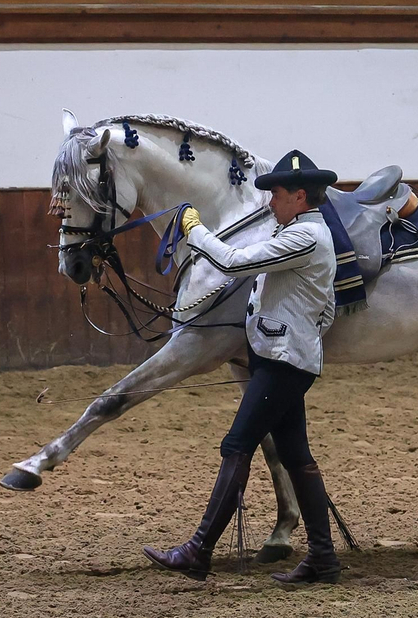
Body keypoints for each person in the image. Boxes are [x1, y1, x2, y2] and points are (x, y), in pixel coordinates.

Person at [143, 149, 342, 585]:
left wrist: (195, 231)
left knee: (237, 445)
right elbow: (323, 310)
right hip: (283, 358)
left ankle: (198, 550)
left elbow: (232, 262)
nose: (270, 201)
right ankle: (323, 560)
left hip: (282, 363)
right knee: (297, 457)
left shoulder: (303, 238)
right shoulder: (300, 232)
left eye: (278, 194)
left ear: (301, 196)